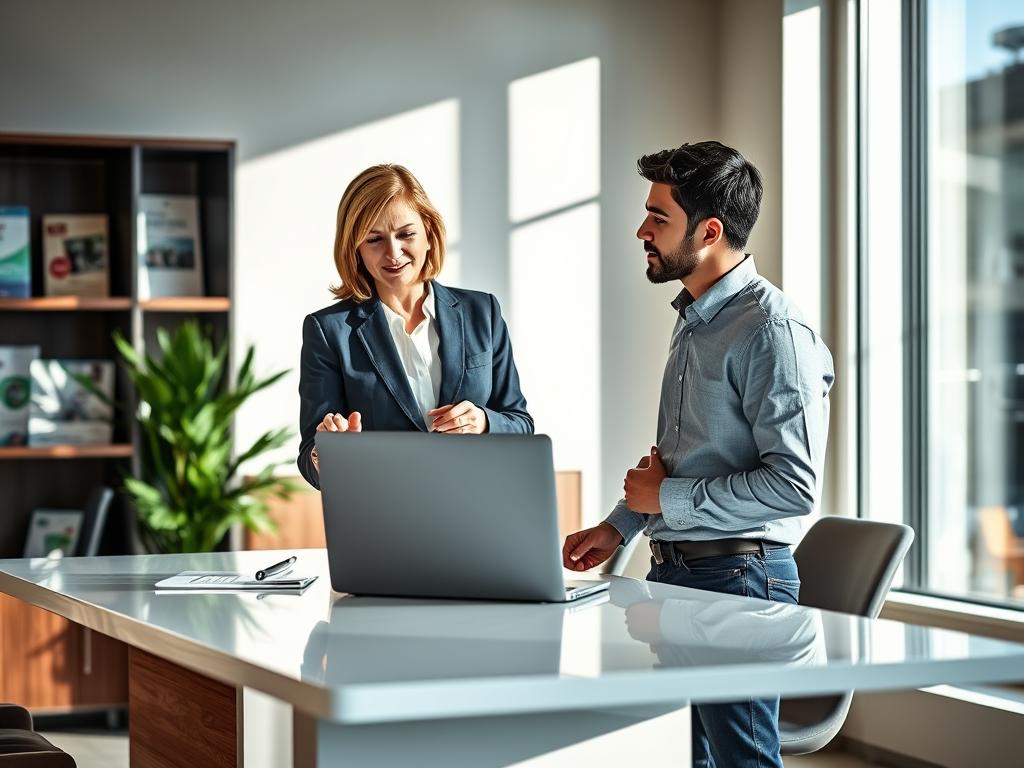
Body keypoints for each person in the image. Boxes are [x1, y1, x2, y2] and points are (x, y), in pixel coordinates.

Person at [562, 141, 834, 768]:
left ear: (709, 232)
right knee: (688, 759)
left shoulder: (772, 332)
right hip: (682, 572)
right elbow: (683, 461)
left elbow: (794, 486)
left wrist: (665, 500)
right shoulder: (698, 318)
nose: (642, 231)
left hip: (740, 582)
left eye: (658, 217)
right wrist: (619, 525)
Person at [297, 164, 533, 488]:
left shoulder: (483, 312)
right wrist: (324, 454)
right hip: (383, 523)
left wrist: (482, 421)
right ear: (356, 249)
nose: (393, 253)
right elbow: (310, 455)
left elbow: (520, 424)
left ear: (428, 233)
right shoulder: (328, 331)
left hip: (478, 514)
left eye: (406, 234)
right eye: (374, 239)